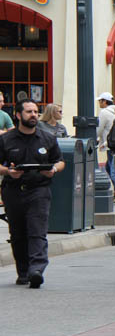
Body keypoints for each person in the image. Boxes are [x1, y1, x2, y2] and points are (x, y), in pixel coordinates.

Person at [0, 98, 65, 288]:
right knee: (18, 233)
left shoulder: (47, 138)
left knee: (37, 231)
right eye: (29, 112)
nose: (34, 115)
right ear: (18, 115)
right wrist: (8, 172)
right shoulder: (5, 140)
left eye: (36, 111)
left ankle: (36, 270)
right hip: (13, 191)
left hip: (39, 190)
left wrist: (53, 169)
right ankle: (23, 272)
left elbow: (60, 161)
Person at [97, 92, 115, 202]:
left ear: (104, 101)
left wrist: (96, 138)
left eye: (100, 101)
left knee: (112, 171)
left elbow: (99, 128)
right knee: (109, 167)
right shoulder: (114, 112)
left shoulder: (104, 112)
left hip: (109, 144)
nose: (99, 103)